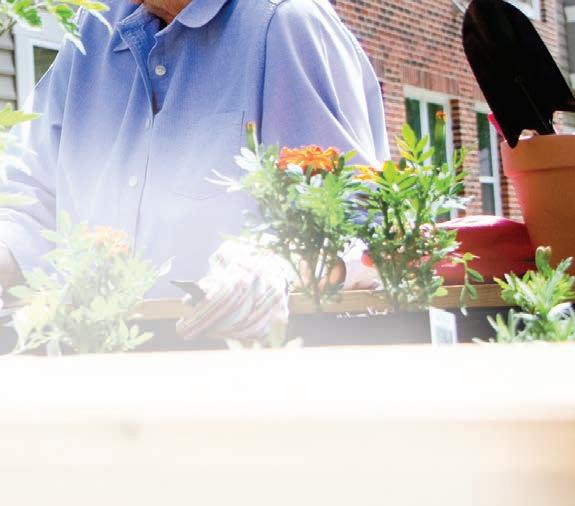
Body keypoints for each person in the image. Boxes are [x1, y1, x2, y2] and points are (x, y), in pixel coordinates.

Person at [0, 0, 389, 297]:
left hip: (252, 369)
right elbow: (25, 198)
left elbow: (363, 235)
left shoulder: (287, 23)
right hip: (92, 365)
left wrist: (278, 270)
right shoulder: (93, 26)